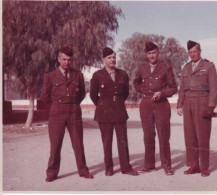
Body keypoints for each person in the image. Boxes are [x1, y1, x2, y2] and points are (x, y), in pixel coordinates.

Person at [40, 45, 93, 182]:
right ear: (58, 59)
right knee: (55, 145)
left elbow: (81, 93)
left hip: (74, 112)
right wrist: (54, 109)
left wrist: (72, 104)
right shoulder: (50, 76)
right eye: (64, 59)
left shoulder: (78, 74)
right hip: (56, 113)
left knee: (78, 144)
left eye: (69, 60)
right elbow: (44, 97)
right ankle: (52, 172)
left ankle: (83, 170)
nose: (67, 62)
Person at [90, 47, 138, 176]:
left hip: (119, 111)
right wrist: (103, 105)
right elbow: (93, 95)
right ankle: (109, 168)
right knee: (107, 142)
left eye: (114, 57)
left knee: (123, 141)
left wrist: (116, 103)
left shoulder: (123, 74)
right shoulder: (97, 75)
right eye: (109, 58)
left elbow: (125, 93)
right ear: (104, 60)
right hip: (104, 113)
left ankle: (126, 167)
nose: (113, 60)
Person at [133, 42, 177, 176]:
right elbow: (136, 82)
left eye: (154, 53)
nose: (152, 56)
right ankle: (149, 164)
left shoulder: (165, 68)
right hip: (146, 105)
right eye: (149, 53)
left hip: (161, 106)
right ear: (146, 55)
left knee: (163, 136)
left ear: (158, 53)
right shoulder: (142, 68)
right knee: (148, 136)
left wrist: (162, 93)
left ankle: (167, 166)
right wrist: (143, 91)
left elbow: (173, 88)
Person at [177, 40, 217, 177]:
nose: (193, 54)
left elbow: (214, 88)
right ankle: (194, 165)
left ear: (200, 51)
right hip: (188, 102)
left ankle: (205, 166)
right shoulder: (186, 68)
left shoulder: (209, 66)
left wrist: (211, 106)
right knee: (190, 136)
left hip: (202, 102)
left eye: (195, 51)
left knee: (203, 136)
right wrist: (179, 104)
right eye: (190, 52)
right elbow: (182, 88)